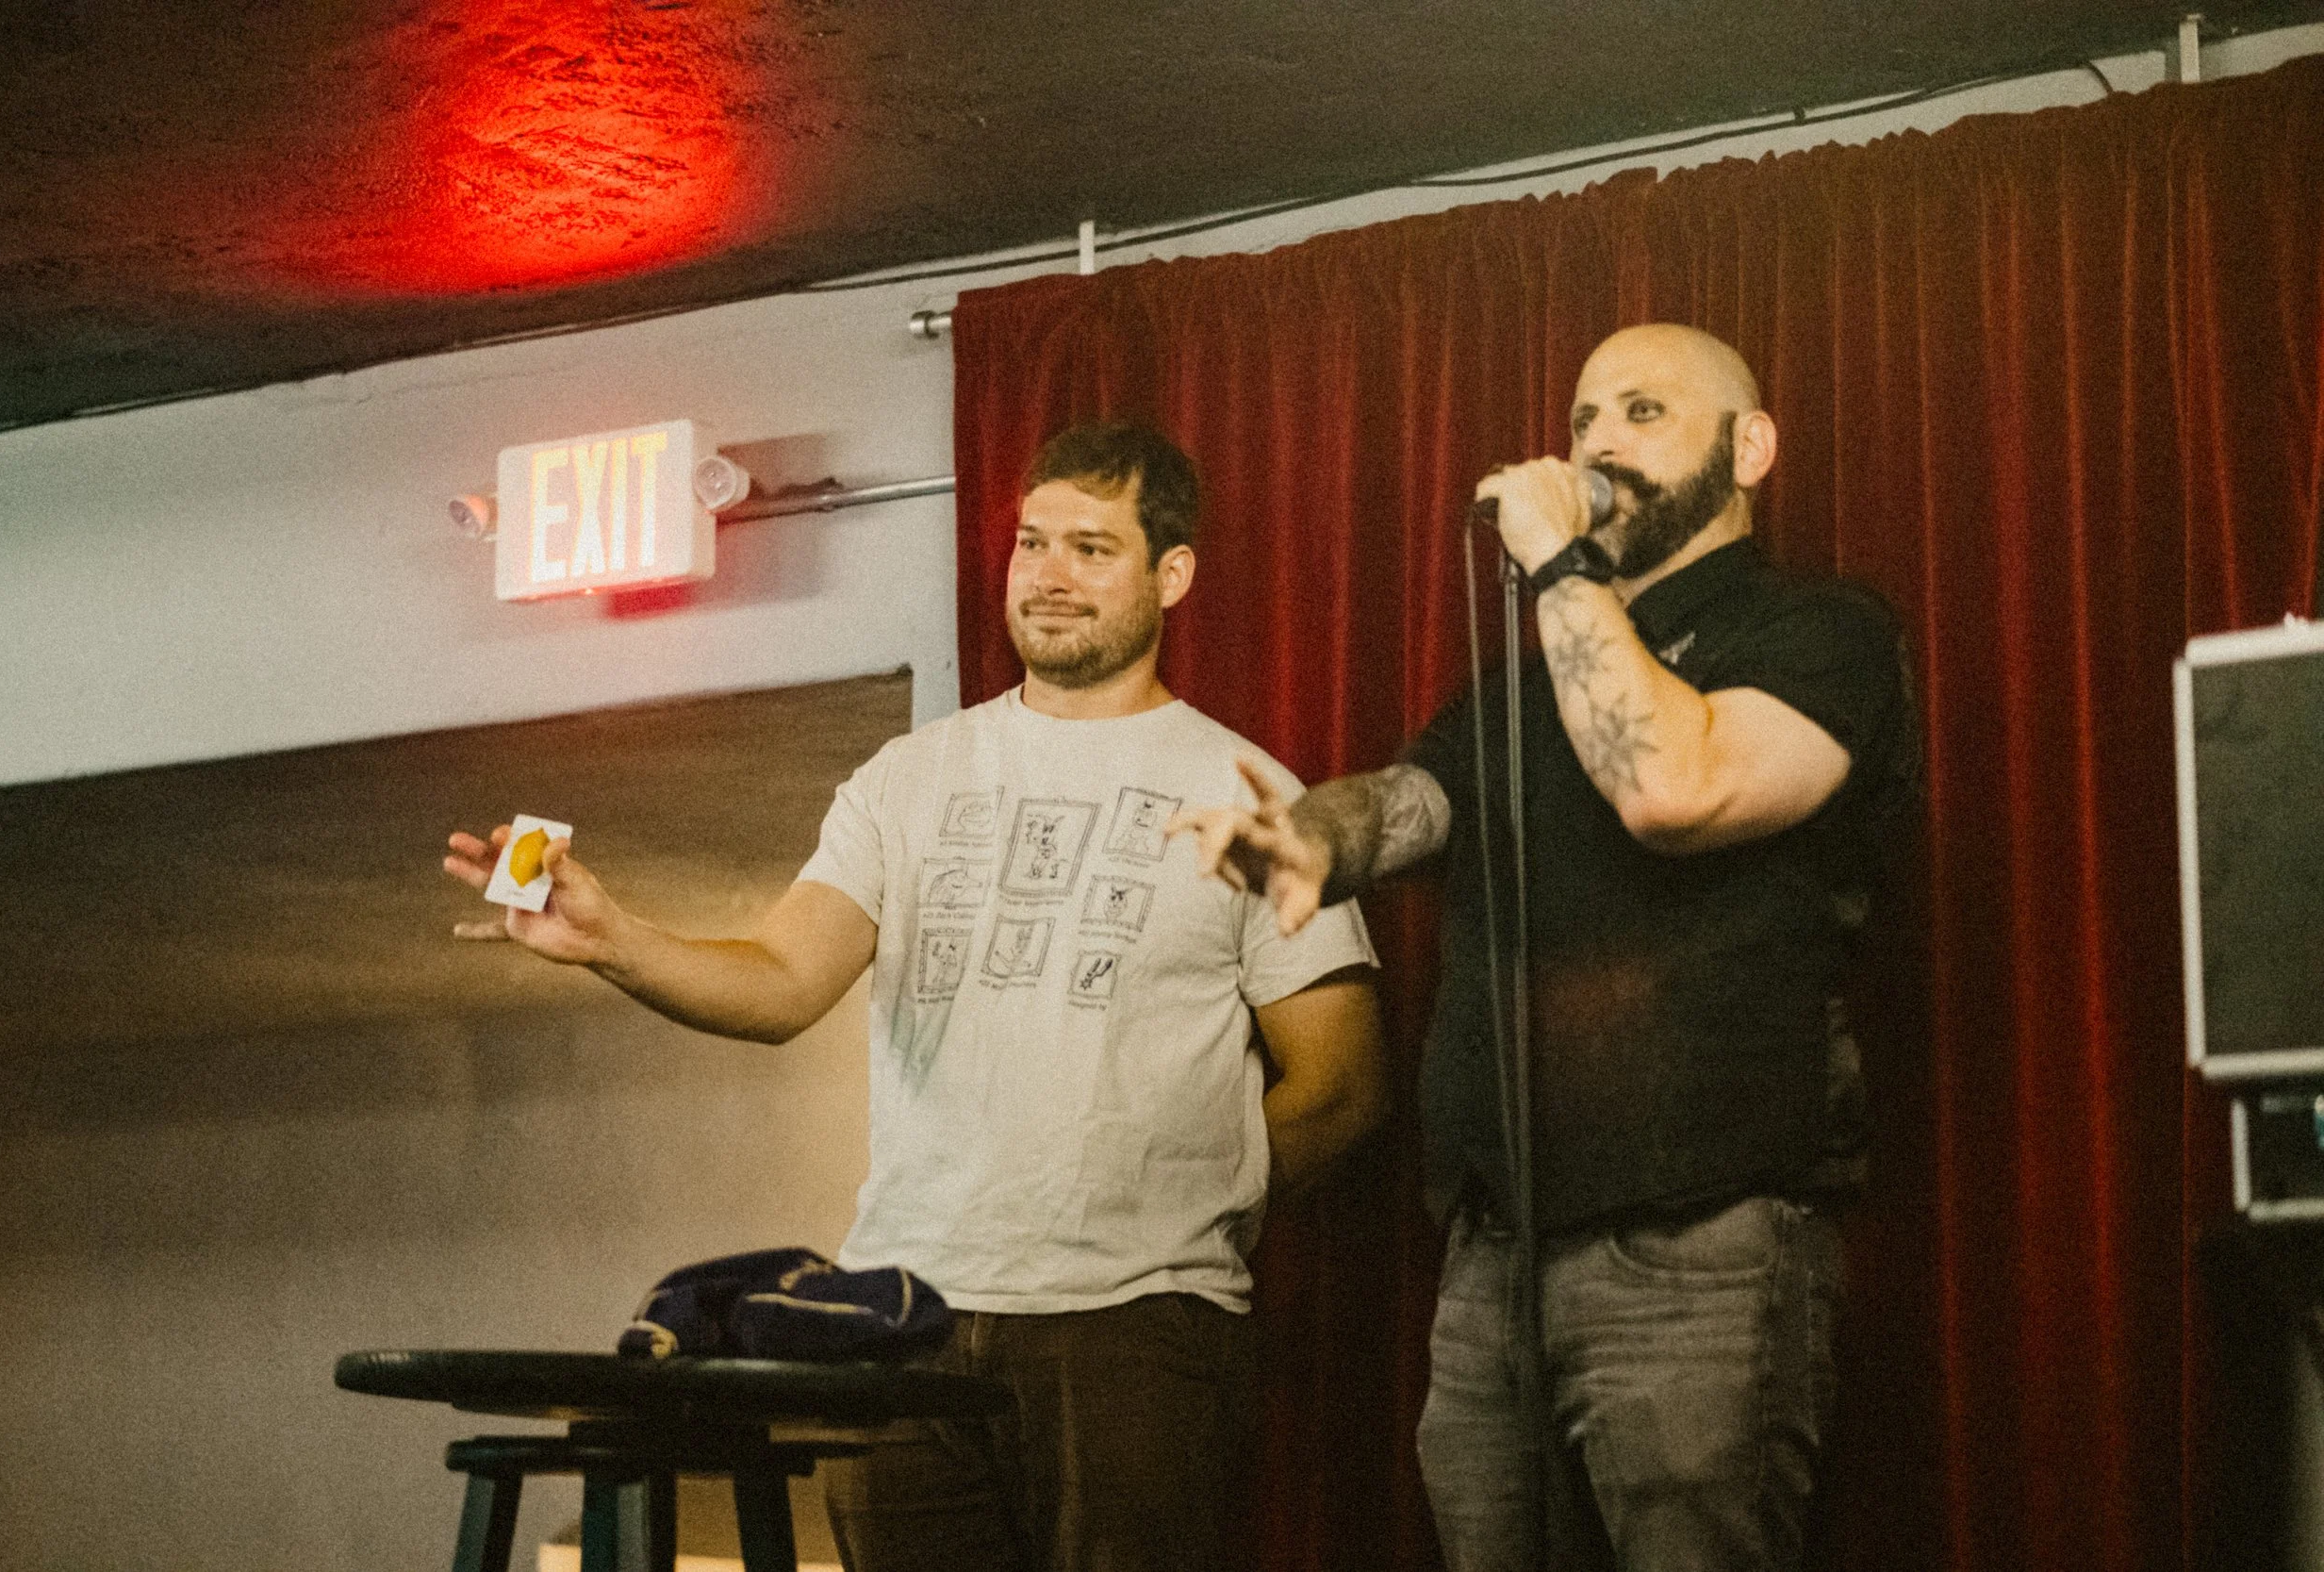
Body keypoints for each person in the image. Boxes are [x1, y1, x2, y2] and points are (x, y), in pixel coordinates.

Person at [443, 422, 1385, 1572]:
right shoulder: (910, 777)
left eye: (1092, 547)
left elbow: (1343, 1083)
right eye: (1033, 542)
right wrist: (613, 939)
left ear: (1170, 574)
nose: (1047, 574)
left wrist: (1180, 1194)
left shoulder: (1246, 792)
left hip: (1139, 1329)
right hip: (907, 1319)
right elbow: (786, 978)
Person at [1171, 324, 1918, 1571]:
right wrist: (1308, 837)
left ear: (1752, 447)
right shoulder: (1520, 690)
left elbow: (1674, 788)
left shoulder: (1819, 627)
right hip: (1498, 1254)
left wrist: (1563, 561)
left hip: (1703, 1248)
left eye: (1643, 411)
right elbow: (1412, 801)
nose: (1600, 443)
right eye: (1583, 420)